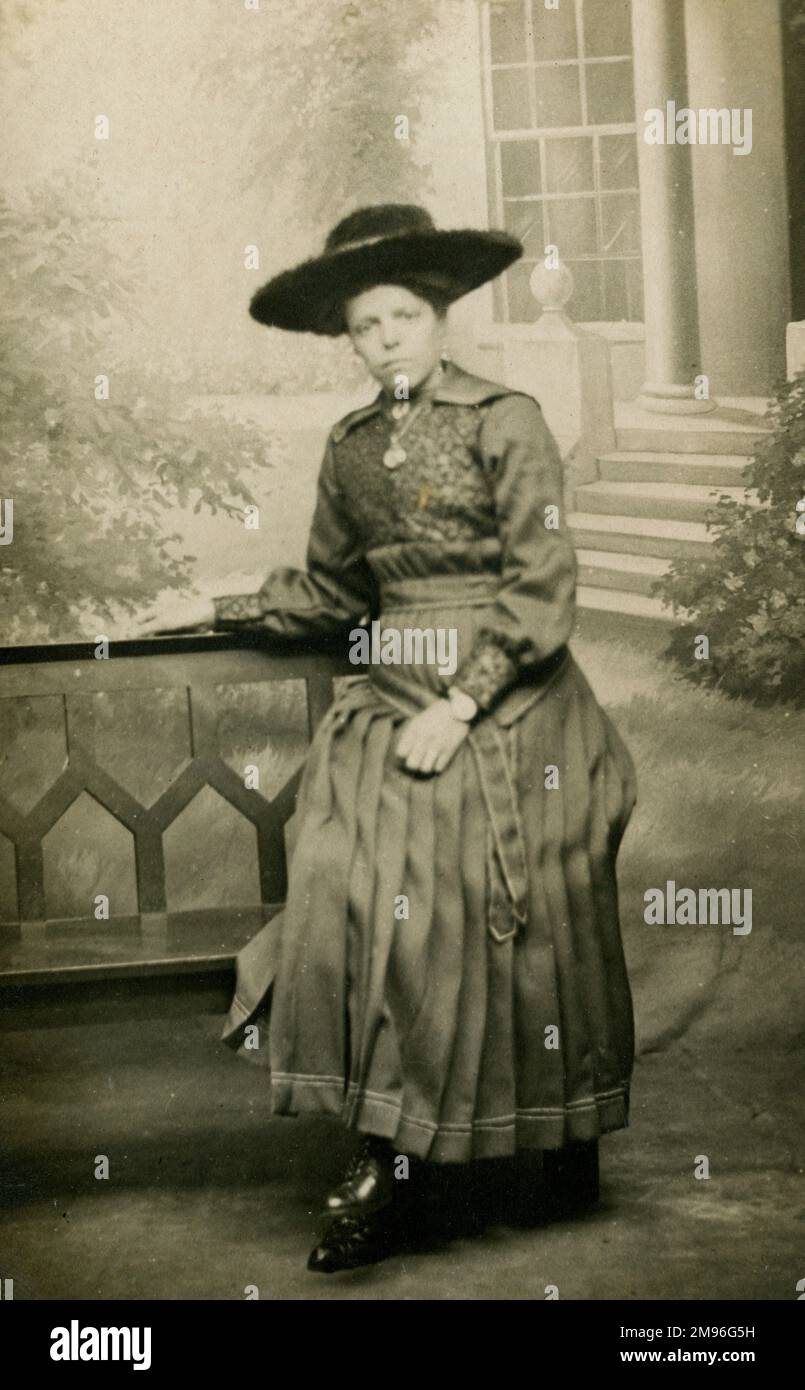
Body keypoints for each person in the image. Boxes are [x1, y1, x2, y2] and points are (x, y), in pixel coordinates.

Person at [134, 204, 637, 1275]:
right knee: (353, 886)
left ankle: (560, 1134)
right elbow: (332, 589)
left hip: (509, 698)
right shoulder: (350, 445)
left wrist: (460, 704)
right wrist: (222, 608)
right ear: (350, 340)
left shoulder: (509, 418)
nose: (386, 339)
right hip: (392, 694)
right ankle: (390, 1158)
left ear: (440, 315)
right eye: (365, 327)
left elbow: (543, 588)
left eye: (403, 315)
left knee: (506, 902)